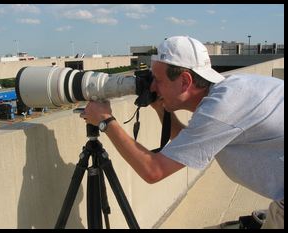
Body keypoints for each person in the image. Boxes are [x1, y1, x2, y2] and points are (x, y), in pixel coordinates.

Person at [80, 36, 284, 229]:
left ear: (185, 81)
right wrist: (161, 110)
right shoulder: (228, 91)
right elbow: (187, 146)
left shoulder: (222, 108)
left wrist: (105, 121)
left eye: (158, 80)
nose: (152, 86)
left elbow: (153, 171)